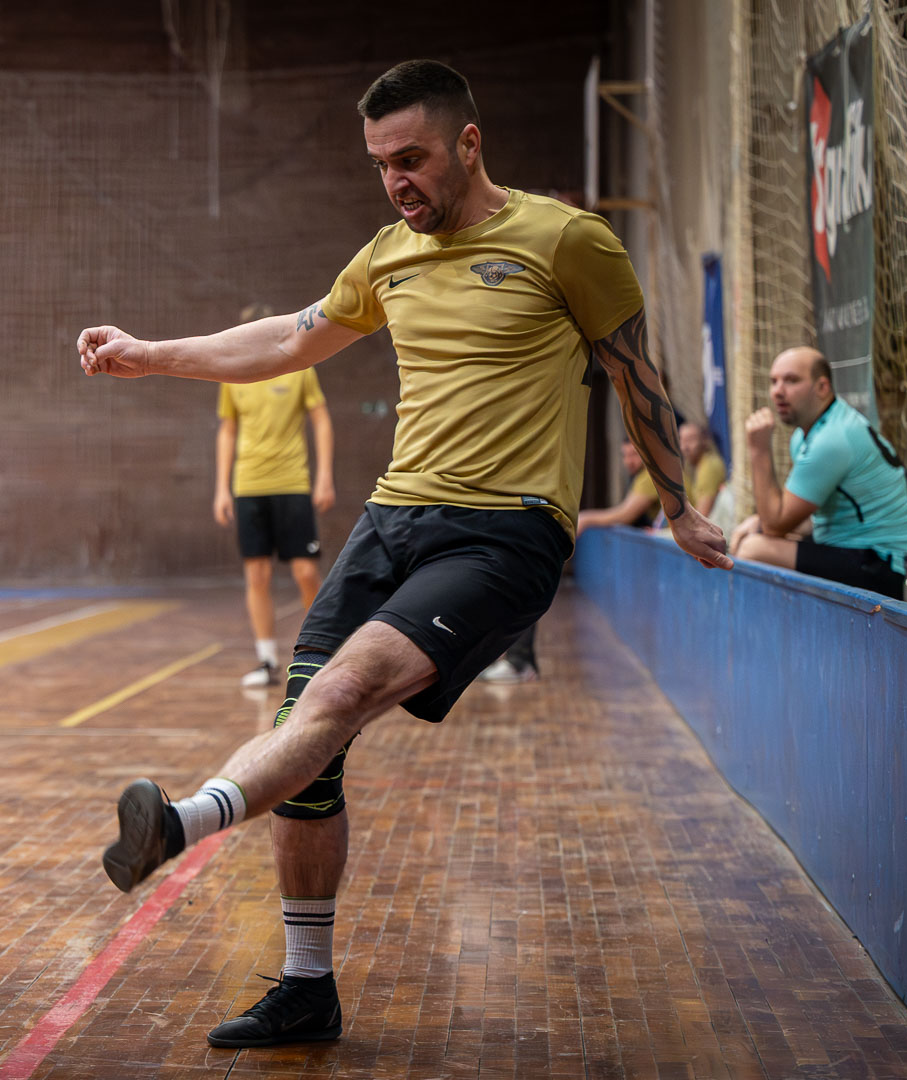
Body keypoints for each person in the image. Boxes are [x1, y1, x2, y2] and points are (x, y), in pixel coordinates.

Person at [76, 59, 729, 1049]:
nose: (397, 182)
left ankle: (182, 823)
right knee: (310, 741)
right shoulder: (388, 255)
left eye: (413, 159)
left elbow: (637, 374)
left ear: (470, 143)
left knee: (341, 693)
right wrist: (151, 354)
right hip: (392, 521)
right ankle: (307, 988)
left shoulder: (567, 240)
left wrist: (678, 507)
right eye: (382, 164)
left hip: (507, 529)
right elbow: (287, 342)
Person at [731, 346, 907, 598]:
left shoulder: (831, 439)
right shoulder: (809, 433)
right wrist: (758, 522)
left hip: (893, 571)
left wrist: (758, 451)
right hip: (858, 552)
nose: (778, 391)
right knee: (753, 532)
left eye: (791, 380)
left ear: (822, 387)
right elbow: (801, 518)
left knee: (753, 549)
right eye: (774, 381)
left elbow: (775, 526)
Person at [214, 303, 335, 687]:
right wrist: (221, 488)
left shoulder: (299, 368)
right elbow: (227, 430)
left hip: (292, 482)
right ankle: (266, 660)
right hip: (249, 485)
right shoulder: (232, 374)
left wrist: (324, 476)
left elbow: (320, 419)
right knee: (257, 574)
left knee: (306, 572)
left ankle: (320, 655)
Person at [575, 439, 659, 534]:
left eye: (634, 454)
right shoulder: (642, 476)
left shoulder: (649, 477)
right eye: (625, 455)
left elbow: (625, 516)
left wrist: (585, 519)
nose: (629, 461)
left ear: (647, 453)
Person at [680, 420, 726, 517]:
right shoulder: (699, 465)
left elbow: (702, 515)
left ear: (704, 441)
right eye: (682, 440)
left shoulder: (709, 467)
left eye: (691, 440)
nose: (685, 447)